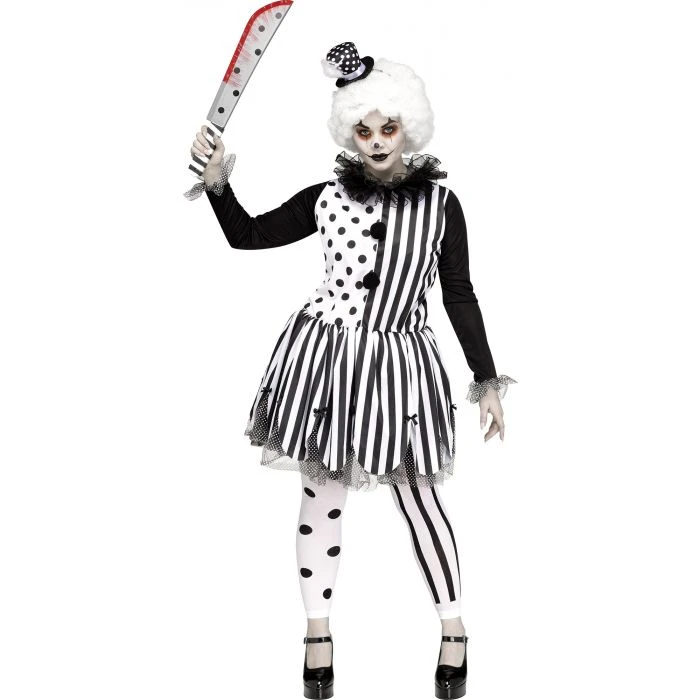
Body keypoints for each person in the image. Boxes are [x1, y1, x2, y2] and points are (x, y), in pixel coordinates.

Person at [187, 41, 516, 700]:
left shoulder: (442, 206)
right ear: (348, 132)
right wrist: (218, 180)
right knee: (321, 493)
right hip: (327, 365)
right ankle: (318, 633)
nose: (376, 141)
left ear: (408, 127)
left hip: (401, 367)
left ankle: (453, 628)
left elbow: (458, 293)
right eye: (363, 131)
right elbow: (248, 236)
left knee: (419, 496)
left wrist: (486, 379)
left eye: (387, 127)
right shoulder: (326, 198)